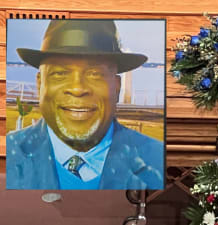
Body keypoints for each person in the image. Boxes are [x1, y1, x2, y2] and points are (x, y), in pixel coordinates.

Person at [6, 20, 164, 190]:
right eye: (60, 73)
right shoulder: (8, 152)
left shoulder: (157, 158)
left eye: (95, 74)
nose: (78, 88)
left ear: (117, 87)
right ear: (40, 84)